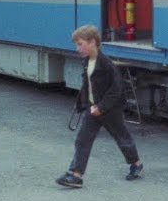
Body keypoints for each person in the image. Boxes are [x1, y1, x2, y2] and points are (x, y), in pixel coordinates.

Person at [55, 25, 143, 188]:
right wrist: (83, 104)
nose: (77, 48)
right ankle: (76, 175)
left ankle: (136, 164)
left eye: (80, 44)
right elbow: (88, 85)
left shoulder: (106, 64)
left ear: (92, 42)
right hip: (93, 108)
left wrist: (101, 107)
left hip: (110, 110)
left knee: (121, 137)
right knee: (82, 140)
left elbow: (117, 90)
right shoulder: (88, 61)